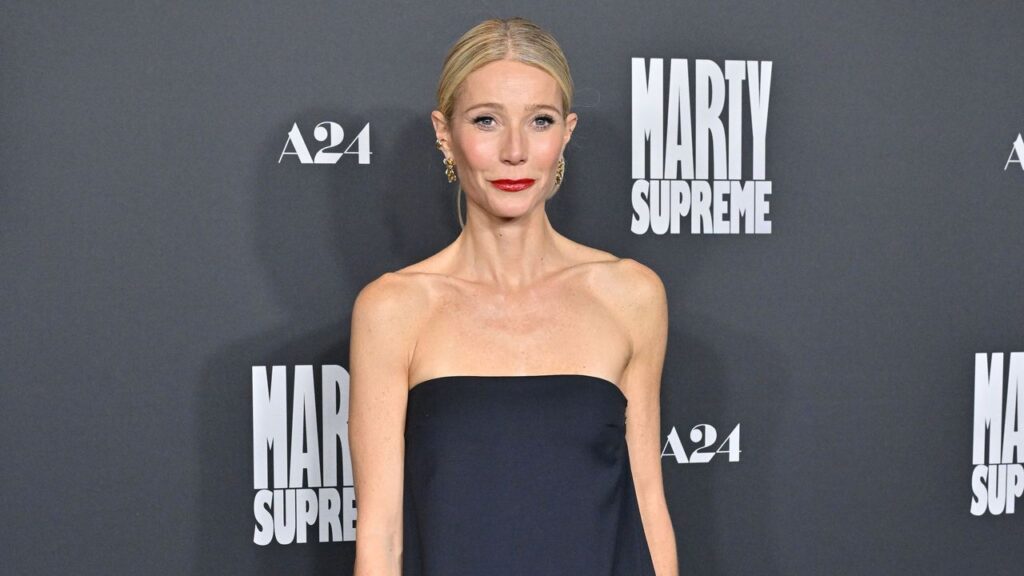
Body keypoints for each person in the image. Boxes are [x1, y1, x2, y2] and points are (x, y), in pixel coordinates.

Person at [349, 16, 678, 576]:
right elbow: (381, 538)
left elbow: (648, 507)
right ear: (444, 133)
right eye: (486, 120)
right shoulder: (394, 308)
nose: (515, 151)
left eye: (539, 121)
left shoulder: (630, 295)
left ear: (566, 133)